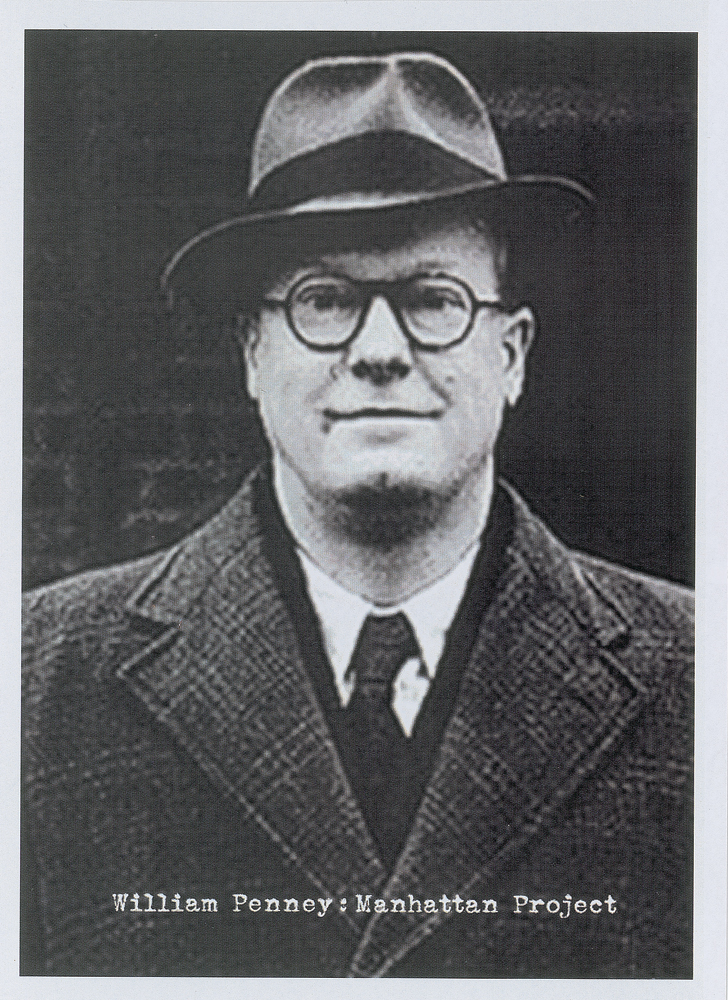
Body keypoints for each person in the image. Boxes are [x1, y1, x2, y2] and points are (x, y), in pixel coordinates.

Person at [21, 51, 693, 978]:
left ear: (512, 355)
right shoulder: (37, 686)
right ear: (253, 355)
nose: (380, 350)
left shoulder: (697, 683)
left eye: (433, 300)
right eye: (325, 300)